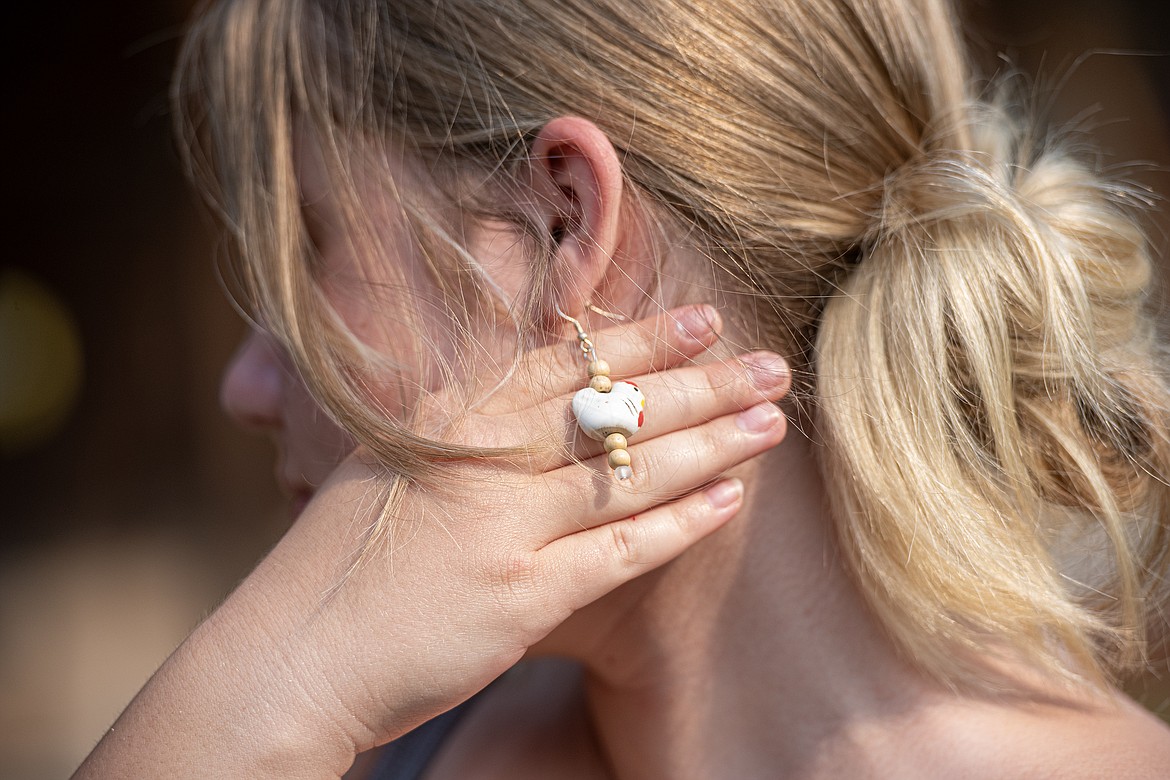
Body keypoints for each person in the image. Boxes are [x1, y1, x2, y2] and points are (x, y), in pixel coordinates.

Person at [74, 0, 1170, 777]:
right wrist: (265, 699)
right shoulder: (368, 728)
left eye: (307, 247)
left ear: (561, 225)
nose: (245, 382)